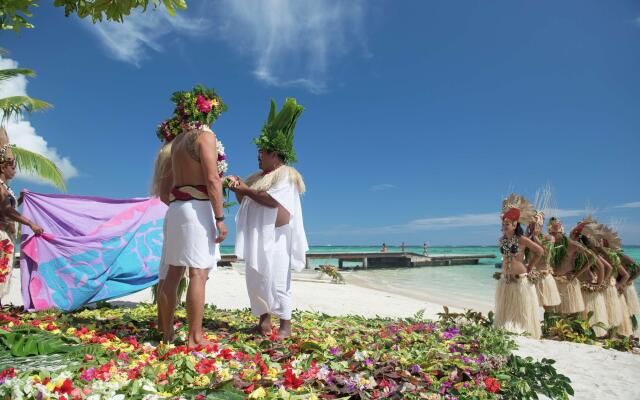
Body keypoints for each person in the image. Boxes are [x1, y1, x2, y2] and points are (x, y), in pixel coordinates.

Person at [155, 85, 228, 346]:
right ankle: (195, 337)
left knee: (173, 274)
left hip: (176, 210)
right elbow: (212, 178)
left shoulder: (174, 145)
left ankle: (166, 334)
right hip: (197, 208)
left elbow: (164, 191)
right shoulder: (204, 138)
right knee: (197, 273)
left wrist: (180, 202)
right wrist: (219, 218)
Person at [231, 98, 308, 339]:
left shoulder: (285, 175)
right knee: (257, 279)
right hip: (259, 235)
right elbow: (249, 201)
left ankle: (285, 326)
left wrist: (245, 189)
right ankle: (264, 323)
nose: (258, 156)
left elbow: (274, 202)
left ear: (275, 155)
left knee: (276, 279)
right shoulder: (257, 176)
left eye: (262, 152)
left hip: (277, 237)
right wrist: (238, 189)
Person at [0, 128, 44, 302]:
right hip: (1, 235)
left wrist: (19, 199)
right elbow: (6, 211)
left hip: (7, 236)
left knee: (5, 271)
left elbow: (7, 208)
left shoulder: (5, 188)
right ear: (3, 167)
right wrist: (30, 223)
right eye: (13, 167)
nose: (15, 171)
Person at [494, 194, 544, 339]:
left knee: (523, 309)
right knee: (505, 308)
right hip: (505, 279)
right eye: (503, 224)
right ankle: (508, 330)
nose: (504, 227)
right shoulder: (501, 240)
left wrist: (530, 267)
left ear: (515, 225)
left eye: (507, 224)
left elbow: (540, 251)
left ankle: (526, 331)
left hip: (520, 279)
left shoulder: (522, 239)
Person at [546, 217, 594, 315]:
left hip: (567, 283)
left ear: (560, 232)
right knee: (552, 314)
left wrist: (577, 273)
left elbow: (592, 257)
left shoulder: (572, 244)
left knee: (569, 315)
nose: (552, 235)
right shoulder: (550, 244)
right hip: (553, 283)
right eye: (551, 233)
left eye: (554, 233)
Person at [525, 211, 561, 309]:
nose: (532, 227)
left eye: (534, 225)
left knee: (548, 308)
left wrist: (535, 237)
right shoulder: (527, 239)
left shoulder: (549, 238)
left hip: (543, 277)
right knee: (529, 307)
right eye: (530, 225)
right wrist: (527, 236)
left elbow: (545, 253)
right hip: (530, 277)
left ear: (539, 226)